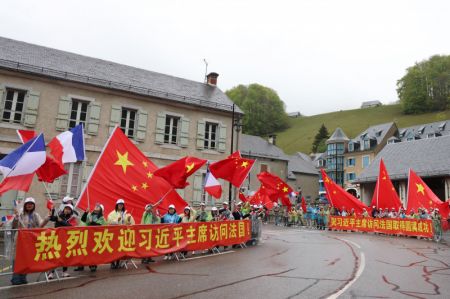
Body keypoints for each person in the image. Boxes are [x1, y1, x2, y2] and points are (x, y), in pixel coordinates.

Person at [11, 198, 50, 285]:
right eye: (28, 203)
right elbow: (13, 226)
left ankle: (23, 277)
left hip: (30, 240)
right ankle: (16, 278)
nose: (29, 205)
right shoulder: (20, 214)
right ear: (25, 205)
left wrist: (47, 218)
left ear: (34, 205)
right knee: (17, 258)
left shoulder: (36, 215)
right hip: (19, 240)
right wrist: (16, 217)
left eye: (31, 204)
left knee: (26, 258)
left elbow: (40, 225)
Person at [49, 203, 77, 278]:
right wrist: (52, 209)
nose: (67, 210)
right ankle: (51, 272)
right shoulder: (59, 215)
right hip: (57, 238)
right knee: (55, 255)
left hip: (66, 239)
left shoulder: (72, 218)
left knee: (65, 255)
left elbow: (71, 227)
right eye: (66, 208)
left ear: (71, 211)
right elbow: (51, 218)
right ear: (63, 209)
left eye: (69, 209)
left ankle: (64, 271)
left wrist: (61, 221)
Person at [77, 203, 106, 271]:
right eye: (96, 206)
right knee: (84, 250)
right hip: (87, 235)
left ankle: (92, 265)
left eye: (98, 207)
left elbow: (99, 225)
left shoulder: (101, 217)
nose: (96, 207)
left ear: (101, 209)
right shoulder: (90, 214)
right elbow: (83, 220)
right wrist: (86, 213)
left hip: (95, 237)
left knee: (92, 252)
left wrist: (92, 222)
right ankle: (81, 265)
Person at [107, 199, 135, 269]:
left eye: (122, 205)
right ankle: (113, 262)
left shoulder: (126, 213)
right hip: (114, 234)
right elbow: (109, 221)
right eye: (119, 204)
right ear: (117, 205)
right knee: (113, 249)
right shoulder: (112, 213)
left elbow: (131, 223)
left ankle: (118, 262)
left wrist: (128, 220)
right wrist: (117, 220)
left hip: (122, 235)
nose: (120, 206)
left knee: (120, 249)